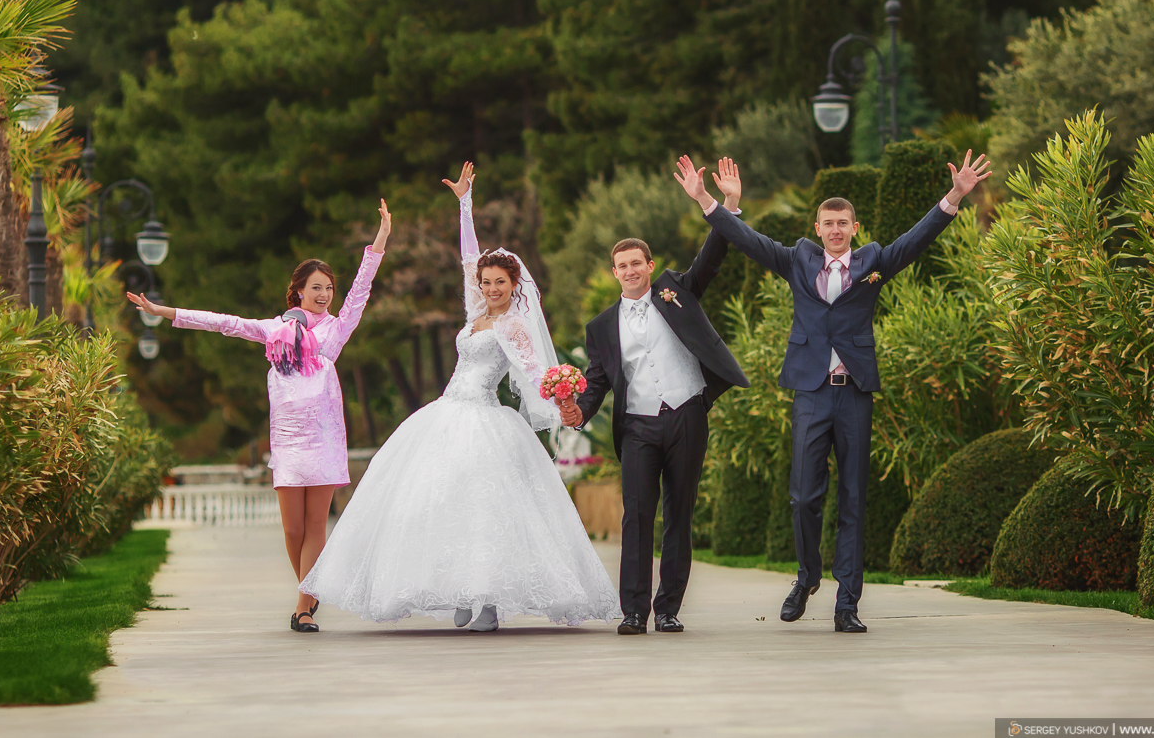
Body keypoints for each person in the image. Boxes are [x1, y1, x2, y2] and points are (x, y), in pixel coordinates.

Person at [677, 151, 991, 634]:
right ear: (818, 227)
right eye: (829, 223)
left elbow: (917, 239)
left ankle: (848, 602)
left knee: (853, 499)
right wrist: (710, 202)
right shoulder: (797, 259)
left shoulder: (875, 262)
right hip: (810, 390)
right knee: (804, 497)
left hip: (854, 393)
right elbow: (747, 241)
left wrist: (954, 196)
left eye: (844, 223)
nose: (836, 230)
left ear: (854, 226)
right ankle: (807, 577)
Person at [300, 163, 618, 632]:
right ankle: (460, 593)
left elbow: (537, 373)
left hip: (486, 419)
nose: (489, 288)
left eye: (498, 283)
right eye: (486, 282)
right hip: (445, 414)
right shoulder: (475, 314)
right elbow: (468, 257)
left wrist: (564, 402)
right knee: (440, 504)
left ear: (514, 287)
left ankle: (488, 599)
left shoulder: (514, 326)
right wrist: (464, 203)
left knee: (486, 509)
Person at [127, 202, 391, 634]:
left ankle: (303, 606)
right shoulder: (273, 330)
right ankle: (311, 587)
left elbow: (363, 287)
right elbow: (224, 323)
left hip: (323, 437)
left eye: (328, 287)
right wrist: (166, 313)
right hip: (288, 442)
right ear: (299, 291)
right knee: (292, 530)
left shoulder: (337, 328)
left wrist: (380, 239)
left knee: (315, 525)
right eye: (316, 287)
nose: (325, 294)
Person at [559, 157, 749, 636]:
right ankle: (633, 611)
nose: (630, 271)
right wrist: (577, 411)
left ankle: (668, 609)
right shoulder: (601, 326)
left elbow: (711, 257)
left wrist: (725, 204)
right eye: (621, 266)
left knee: (678, 515)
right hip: (639, 424)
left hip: (687, 413)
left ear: (648, 264)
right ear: (614, 271)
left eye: (636, 263)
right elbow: (599, 379)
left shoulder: (676, 291)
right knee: (637, 518)